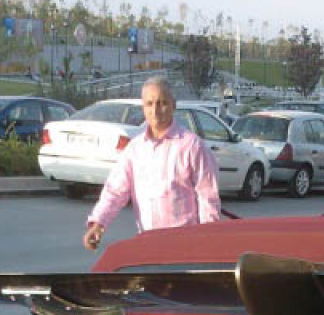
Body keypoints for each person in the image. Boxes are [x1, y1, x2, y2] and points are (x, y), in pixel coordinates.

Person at [82, 77, 221, 251]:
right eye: (149, 104)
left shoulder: (192, 146)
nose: (155, 110)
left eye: (162, 103)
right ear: (143, 107)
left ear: (173, 105)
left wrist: (208, 240)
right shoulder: (135, 149)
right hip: (147, 243)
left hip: (185, 246)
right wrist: (98, 223)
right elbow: (115, 191)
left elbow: (208, 198)